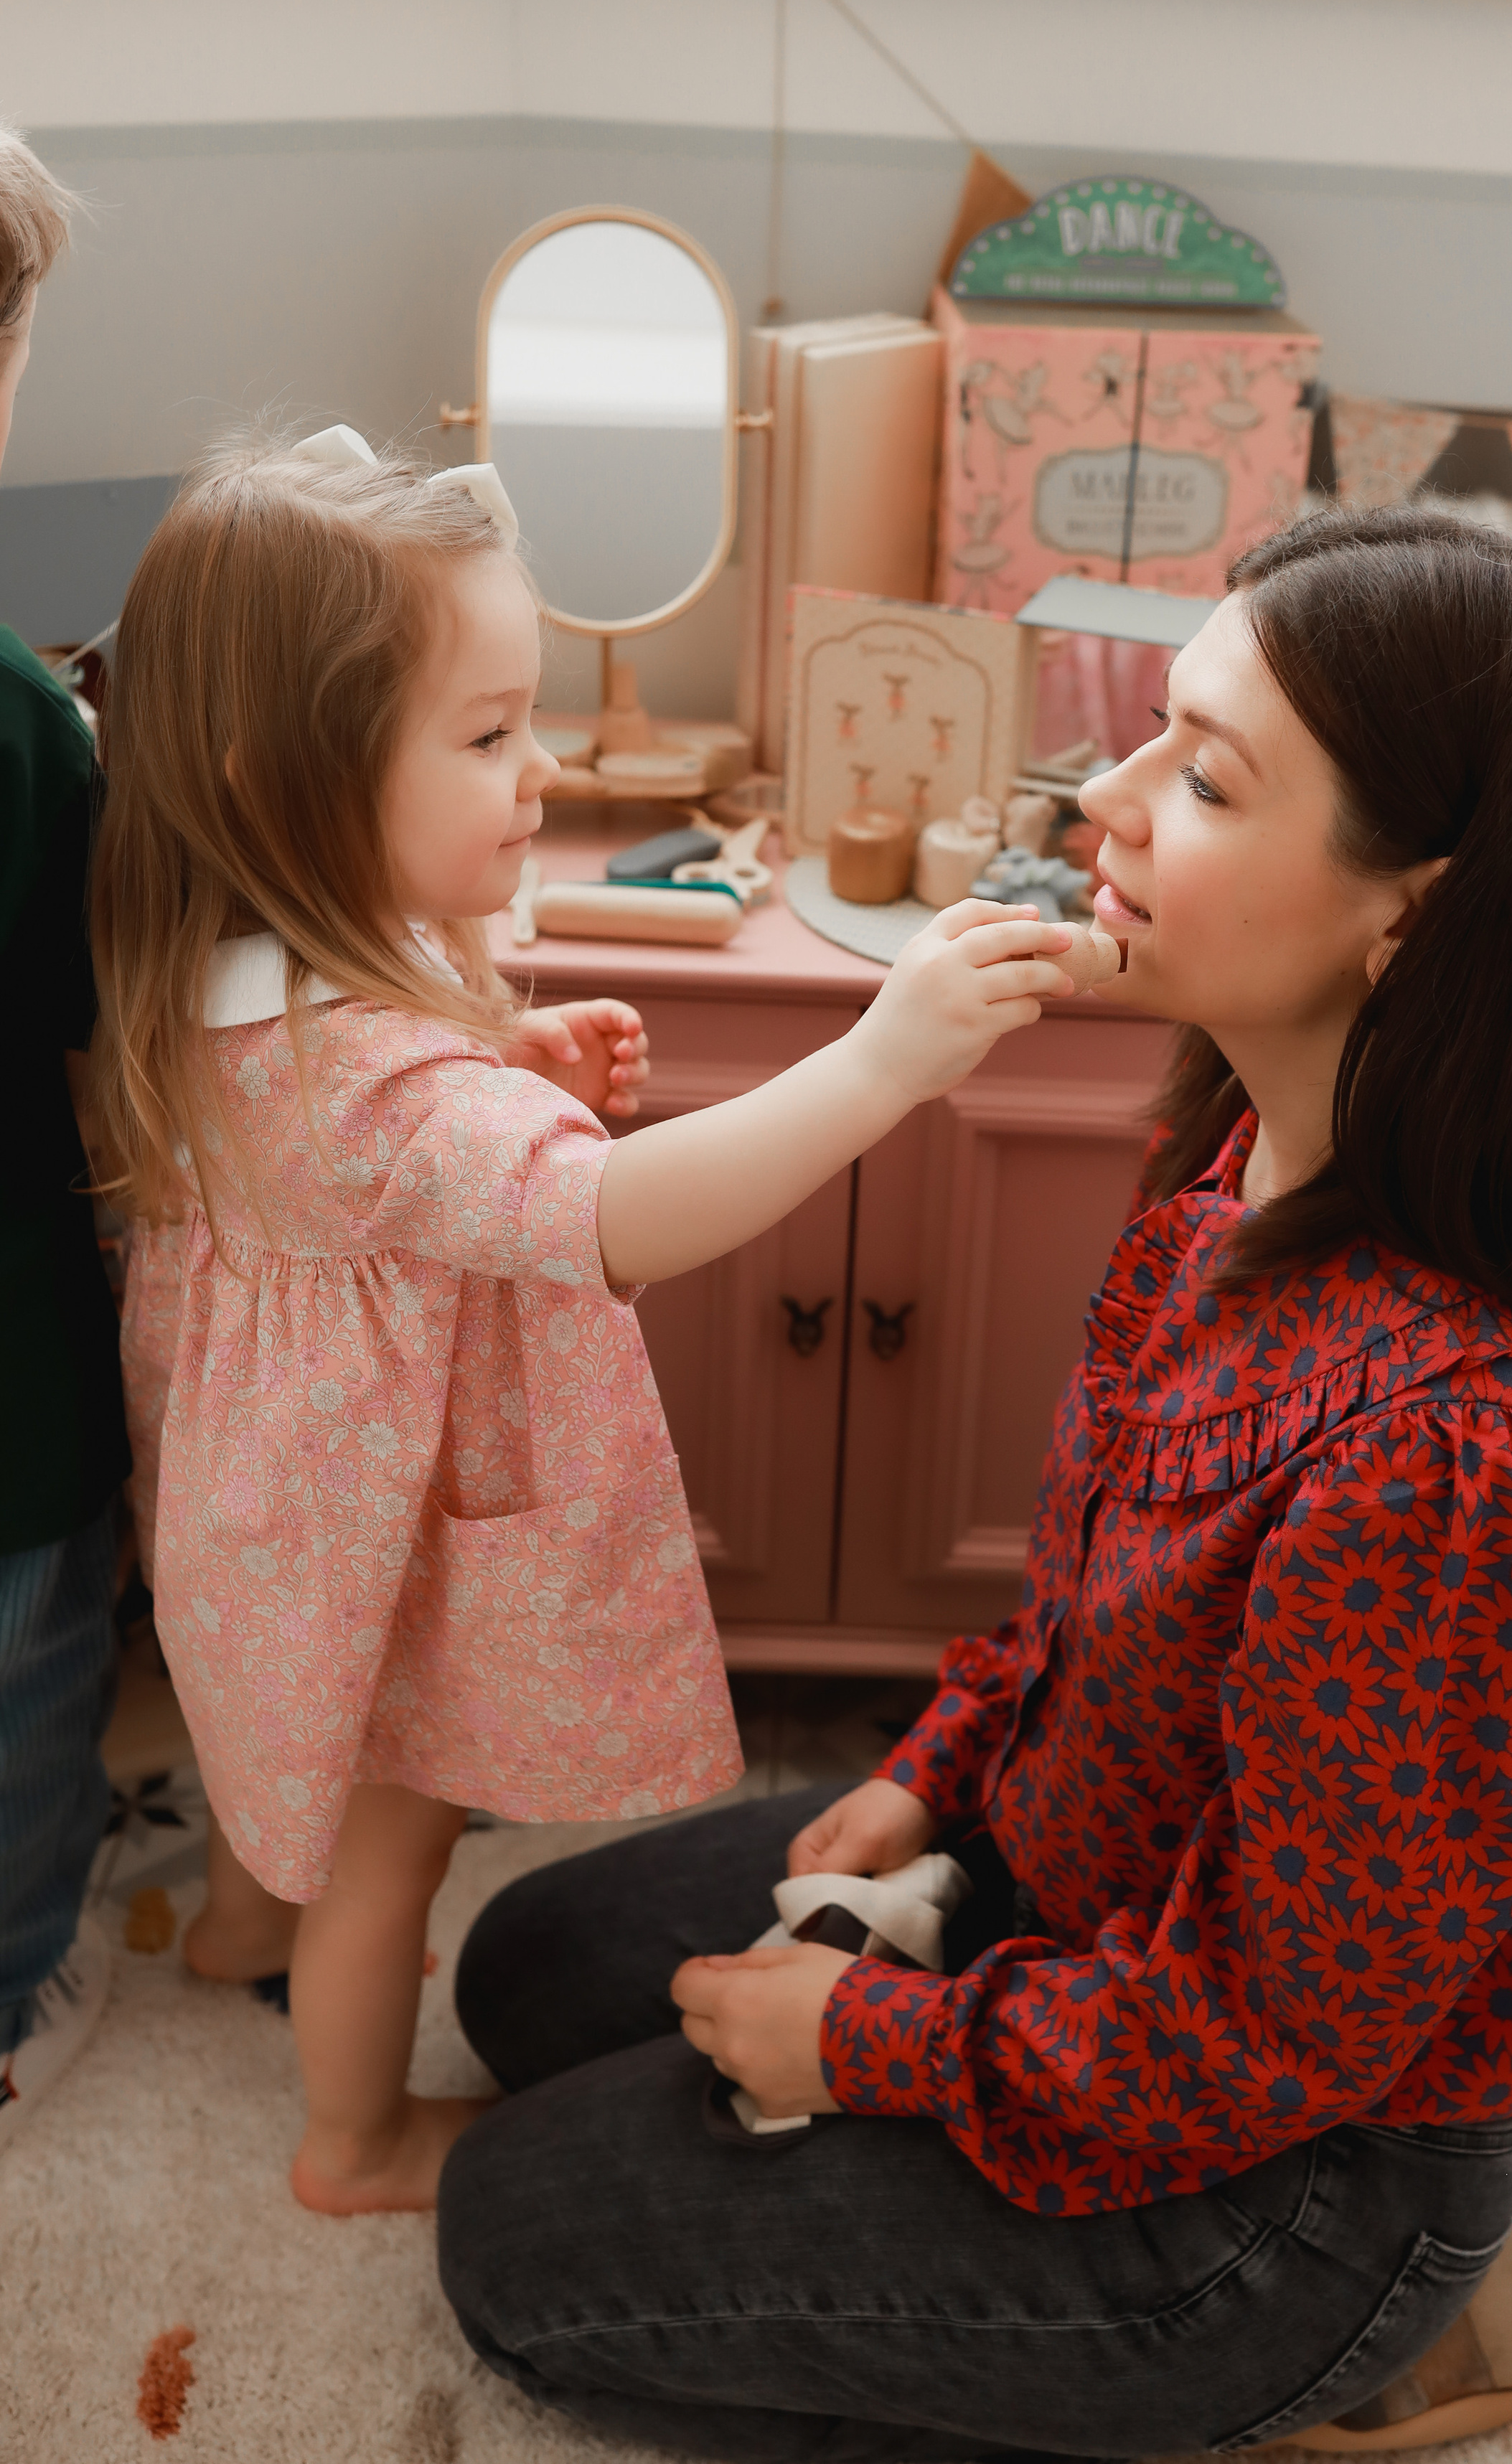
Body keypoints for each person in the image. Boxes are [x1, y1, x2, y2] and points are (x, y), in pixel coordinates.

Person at [438, 504, 1512, 2458]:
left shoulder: (1465, 1469)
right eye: (1154, 733)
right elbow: (1075, 1617)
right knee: (525, 1971)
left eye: (1206, 776)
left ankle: (1381, 2336)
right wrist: (929, 1777)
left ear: (1417, 913)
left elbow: (1271, 2039)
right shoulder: (1233, 1179)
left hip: (1285, 2186)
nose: (1108, 801)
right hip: (1076, 1903)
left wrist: (875, 2041)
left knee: (511, 2248)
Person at [93, 429, 1074, 2216]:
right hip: (359, 1549)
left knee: (274, 1748)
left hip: (258, 1536)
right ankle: (353, 2138)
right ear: (278, 784)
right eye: (485, 736)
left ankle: (241, 1928)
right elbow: (613, 1220)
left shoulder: (215, 982)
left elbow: (340, 1188)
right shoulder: (380, 1086)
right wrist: (881, 1061)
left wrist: (504, 1062)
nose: (537, 774)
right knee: (389, 1837)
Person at [0, 127, 131, 2133]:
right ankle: (13, 1983)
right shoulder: (25, 722)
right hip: (9, 1363)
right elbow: (93, 1028)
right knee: (26, 1680)